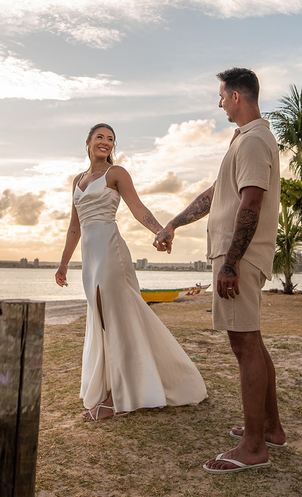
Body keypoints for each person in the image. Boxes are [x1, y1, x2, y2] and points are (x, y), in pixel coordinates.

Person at [155, 67, 285, 473]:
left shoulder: (254, 140)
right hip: (237, 256)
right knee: (253, 342)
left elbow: (251, 203)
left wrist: (230, 262)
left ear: (236, 98)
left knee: (243, 344)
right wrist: (174, 221)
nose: (219, 103)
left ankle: (253, 447)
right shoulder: (244, 140)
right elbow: (216, 195)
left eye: (222, 96)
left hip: (239, 258)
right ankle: (269, 428)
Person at [55, 122, 207, 421]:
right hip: (90, 257)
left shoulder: (117, 173)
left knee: (116, 320)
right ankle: (118, 386)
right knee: (102, 321)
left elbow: (137, 208)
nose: (106, 142)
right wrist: (63, 263)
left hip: (111, 253)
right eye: (100, 137)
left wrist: (160, 230)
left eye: (111, 139)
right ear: (88, 142)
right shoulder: (78, 180)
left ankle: (116, 397)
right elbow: (75, 226)